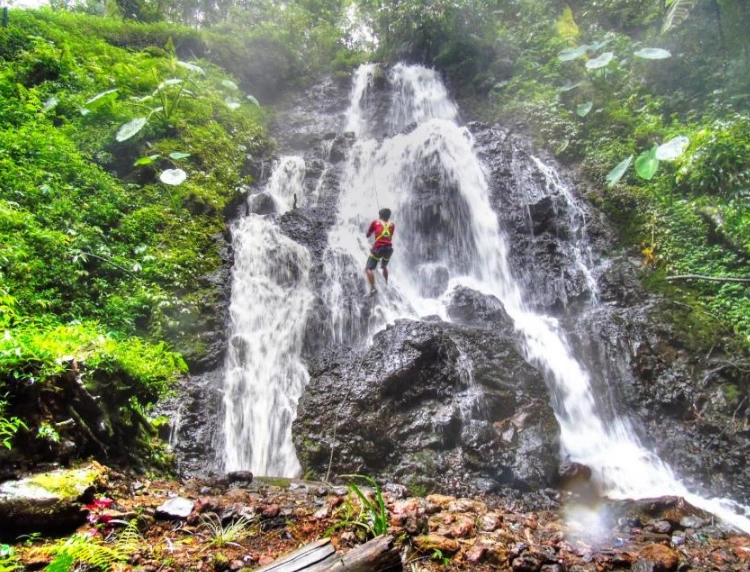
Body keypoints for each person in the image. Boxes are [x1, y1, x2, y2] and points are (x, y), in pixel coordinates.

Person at [365, 208, 395, 296]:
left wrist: (371, 233)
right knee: (384, 266)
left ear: (380, 216)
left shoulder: (375, 223)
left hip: (379, 248)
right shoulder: (392, 225)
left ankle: (373, 288)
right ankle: (386, 282)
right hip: (389, 249)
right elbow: (389, 235)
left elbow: (368, 235)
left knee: (368, 269)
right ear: (388, 216)